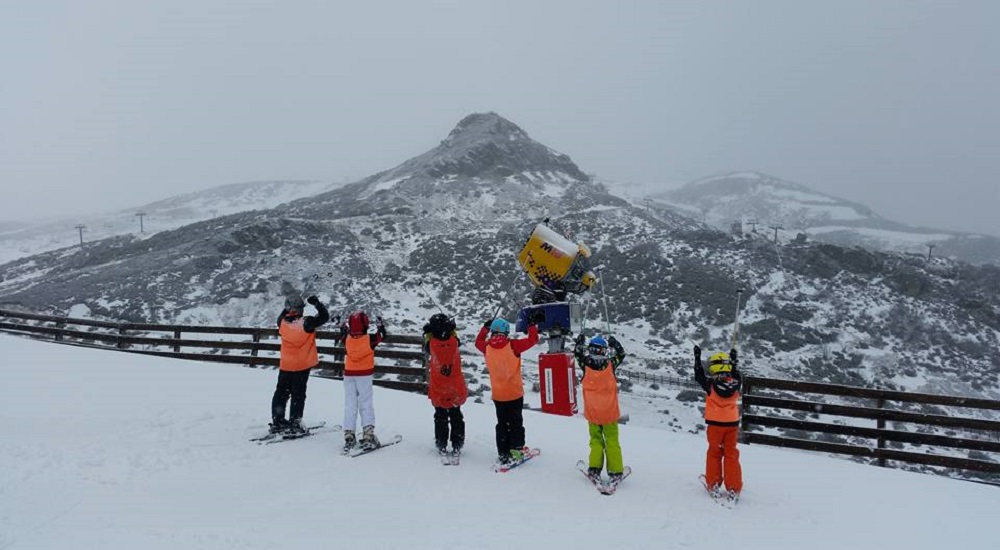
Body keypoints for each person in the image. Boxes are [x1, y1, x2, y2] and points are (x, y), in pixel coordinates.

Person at [474, 315, 540, 466]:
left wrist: (485, 328)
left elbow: (477, 342)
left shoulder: (487, 347)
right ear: (506, 331)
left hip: (498, 394)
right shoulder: (513, 345)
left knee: (502, 423)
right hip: (514, 393)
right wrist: (531, 325)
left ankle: (503, 452)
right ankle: (516, 450)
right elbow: (532, 340)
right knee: (516, 423)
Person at [270, 295, 330, 434]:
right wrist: (317, 304)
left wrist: (288, 308)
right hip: (302, 365)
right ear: (300, 309)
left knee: (281, 393)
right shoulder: (306, 323)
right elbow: (324, 317)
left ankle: (278, 421)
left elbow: (283, 314)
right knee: (298, 394)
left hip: (286, 364)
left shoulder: (282, 323)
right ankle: (295, 422)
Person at [573, 334, 626, 483]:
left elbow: (577, 354)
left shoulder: (585, 364)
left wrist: (579, 343)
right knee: (612, 442)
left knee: (595, 441)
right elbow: (621, 354)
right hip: (609, 412)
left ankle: (594, 469)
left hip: (593, 412)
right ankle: (615, 471)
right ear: (604, 351)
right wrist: (615, 343)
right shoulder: (611, 364)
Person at [693, 345, 744, 498]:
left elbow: (698, 375)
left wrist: (697, 357)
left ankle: (713, 483)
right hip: (732, 425)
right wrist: (734, 360)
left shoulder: (710, 385)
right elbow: (736, 374)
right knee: (731, 454)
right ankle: (734, 486)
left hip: (715, 425)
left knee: (714, 453)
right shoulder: (736, 383)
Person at [340, 310, 387, 451]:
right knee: (365, 403)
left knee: (350, 404)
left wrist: (342, 326)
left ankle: (349, 434)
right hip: (364, 374)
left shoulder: (347, 338)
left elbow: (344, 332)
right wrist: (380, 325)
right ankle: (368, 434)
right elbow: (382, 336)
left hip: (349, 374)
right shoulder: (369, 339)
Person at [423, 313, 467, 456]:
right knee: (456, 415)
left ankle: (441, 442)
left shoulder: (432, 344)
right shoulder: (454, 342)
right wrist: (451, 328)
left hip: (438, 387)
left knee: (440, 416)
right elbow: (455, 336)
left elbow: (427, 340)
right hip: (455, 386)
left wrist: (428, 331)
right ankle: (457, 443)